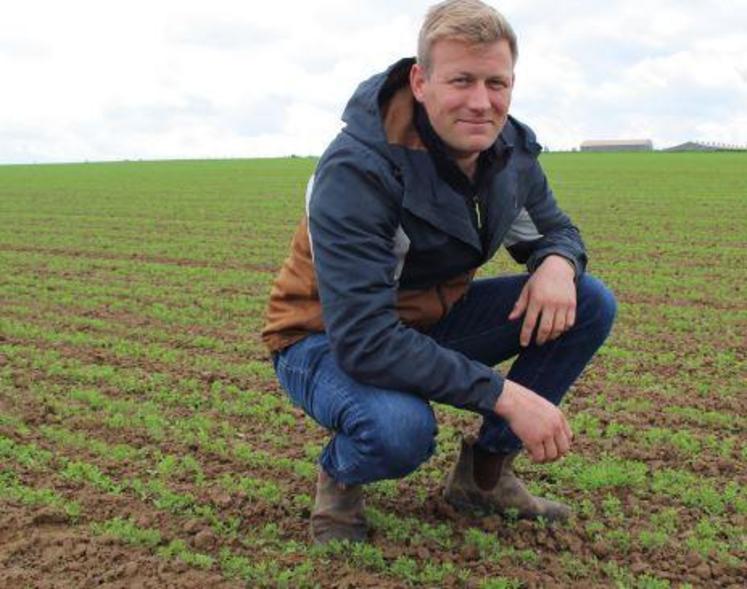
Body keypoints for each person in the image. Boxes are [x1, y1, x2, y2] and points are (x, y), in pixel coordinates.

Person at [262, 0, 616, 544]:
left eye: (496, 83)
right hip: (326, 338)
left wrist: (557, 262)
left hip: (425, 322)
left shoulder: (508, 155)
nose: (481, 102)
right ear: (421, 82)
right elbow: (363, 340)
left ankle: (483, 478)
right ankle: (341, 474)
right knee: (399, 430)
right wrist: (506, 396)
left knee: (588, 301)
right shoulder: (360, 171)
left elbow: (554, 230)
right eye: (462, 81)